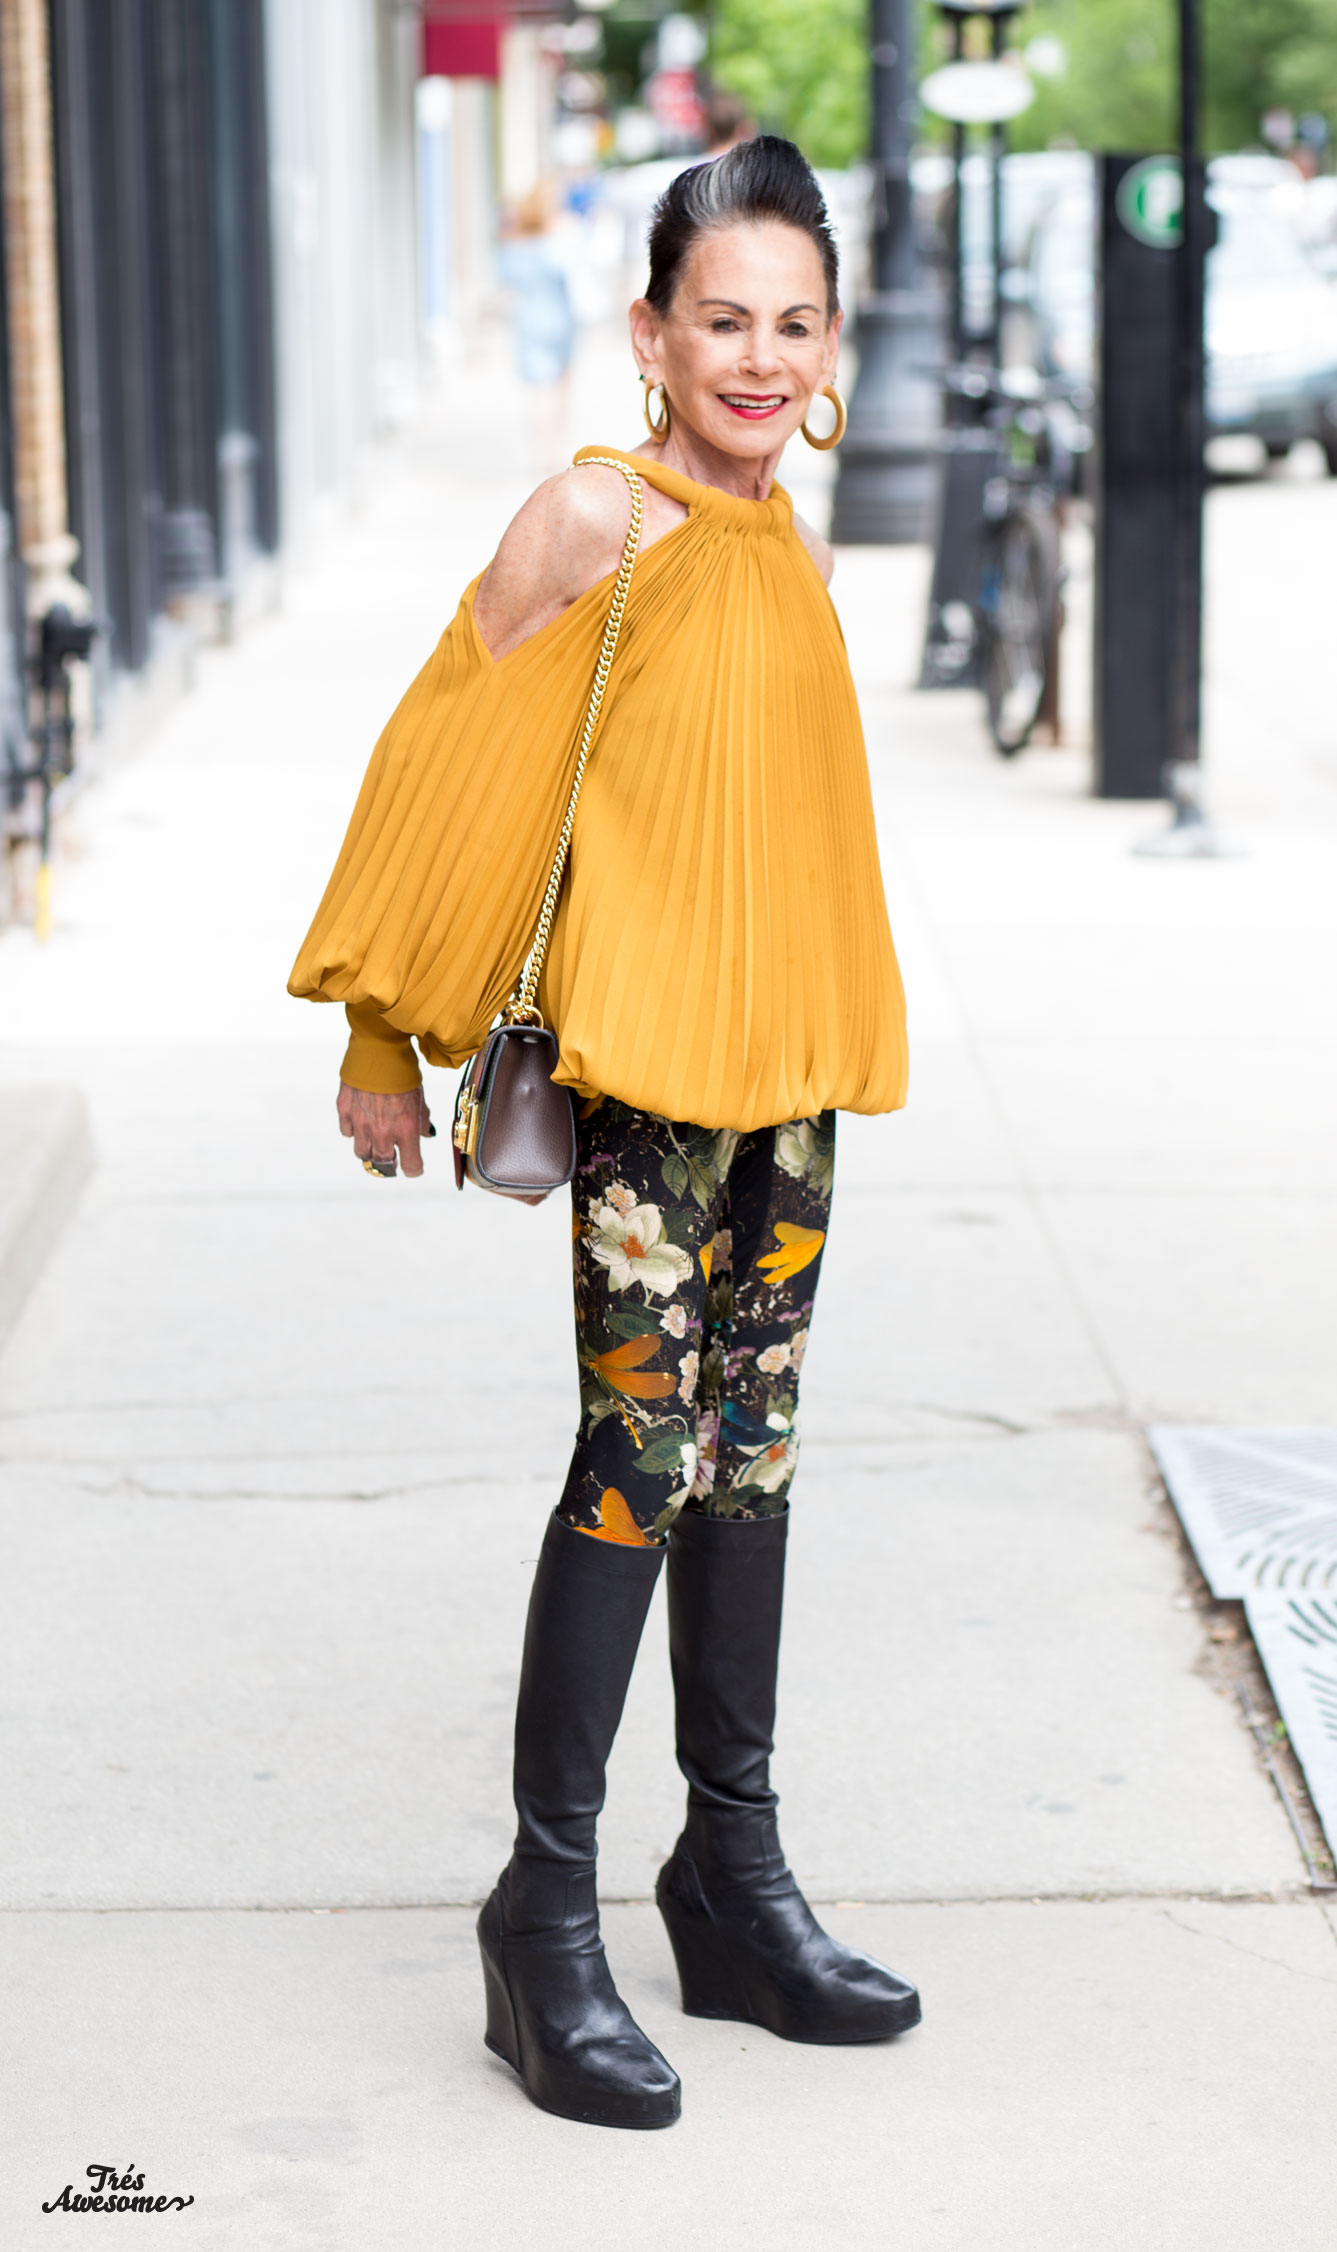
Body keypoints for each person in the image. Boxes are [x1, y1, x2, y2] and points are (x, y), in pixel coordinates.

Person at [288, 135, 920, 2132]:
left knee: (755, 1455)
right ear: (649, 335)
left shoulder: (795, 544)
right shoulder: (594, 517)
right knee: (639, 1457)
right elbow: (445, 767)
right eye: (721, 320)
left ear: (832, 346)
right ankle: (540, 1915)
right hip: (643, 1080)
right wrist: (384, 1032)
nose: (759, 357)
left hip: (787, 1082)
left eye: (793, 324)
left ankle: (729, 1874)